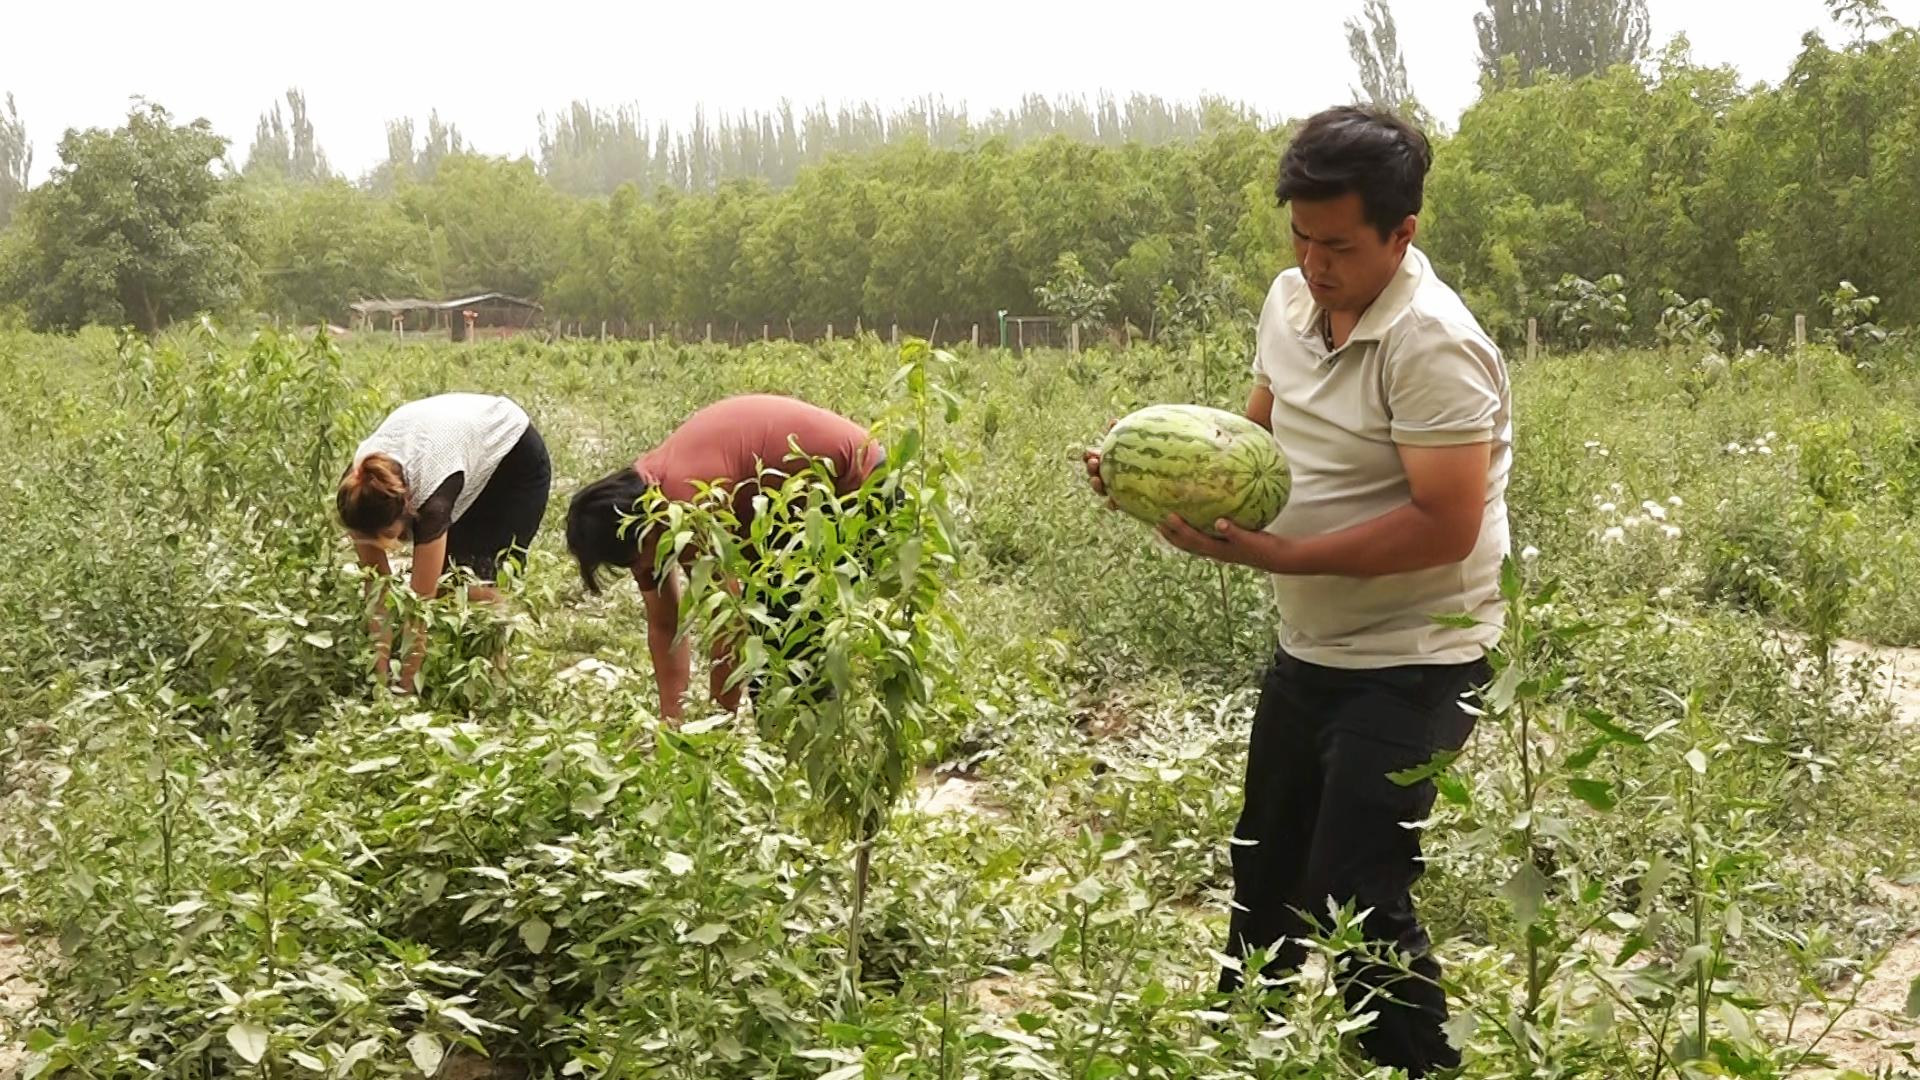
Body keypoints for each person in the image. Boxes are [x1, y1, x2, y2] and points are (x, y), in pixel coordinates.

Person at [1085, 105, 1511, 1077]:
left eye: (1339, 246)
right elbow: (1253, 449)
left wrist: (1277, 559)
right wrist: (1155, 484)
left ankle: (1418, 1070)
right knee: (1265, 868)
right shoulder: (1286, 303)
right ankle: (1246, 1052)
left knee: (1357, 892)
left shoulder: (1434, 343)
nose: (1315, 265)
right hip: (1311, 648)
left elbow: (1446, 523)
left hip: (1419, 660)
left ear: (1402, 233)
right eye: (1301, 239)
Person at [565, 393, 887, 723]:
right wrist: (671, 721)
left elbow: (731, 622)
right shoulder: (643, 515)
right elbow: (665, 624)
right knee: (772, 629)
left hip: (862, 486)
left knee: (788, 642)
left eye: (637, 560)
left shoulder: (687, 502)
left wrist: (716, 724)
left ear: (641, 528)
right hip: (792, 518)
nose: (643, 570)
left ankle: (822, 750)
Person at [338, 392, 552, 690]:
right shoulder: (356, 495)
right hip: (453, 445)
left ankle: (493, 679)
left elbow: (418, 606)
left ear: (408, 508)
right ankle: (449, 669)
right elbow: (377, 590)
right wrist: (380, 675)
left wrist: (405, 690)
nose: (398, 543)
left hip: (512, 458)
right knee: (446, 583)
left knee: (471, 579)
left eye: (395, 536)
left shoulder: (432, 505)